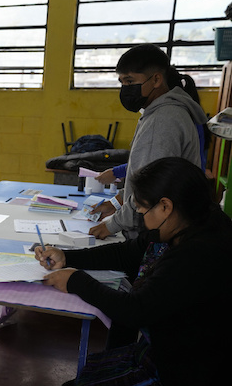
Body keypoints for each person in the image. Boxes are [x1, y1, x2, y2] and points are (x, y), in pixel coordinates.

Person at [35, 157, 232, 386]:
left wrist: (75, 280)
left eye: (142, 209)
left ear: (165, 206)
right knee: (88, 375)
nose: (141, 218)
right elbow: (127, 254)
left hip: (190, 374)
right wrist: (68, 257)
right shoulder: (191, 221)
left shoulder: (199, 253)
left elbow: (135, 310)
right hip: (169, 349)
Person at [88, 44, 207, 241]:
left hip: (159, 230)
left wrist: (112, 225)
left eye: (130, 81)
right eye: (122, 82)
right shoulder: (162, 113)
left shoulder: (163, 120)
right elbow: (143, 177)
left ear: (157, 79)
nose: (125, 89)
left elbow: (151, 190)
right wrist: (116, 203)